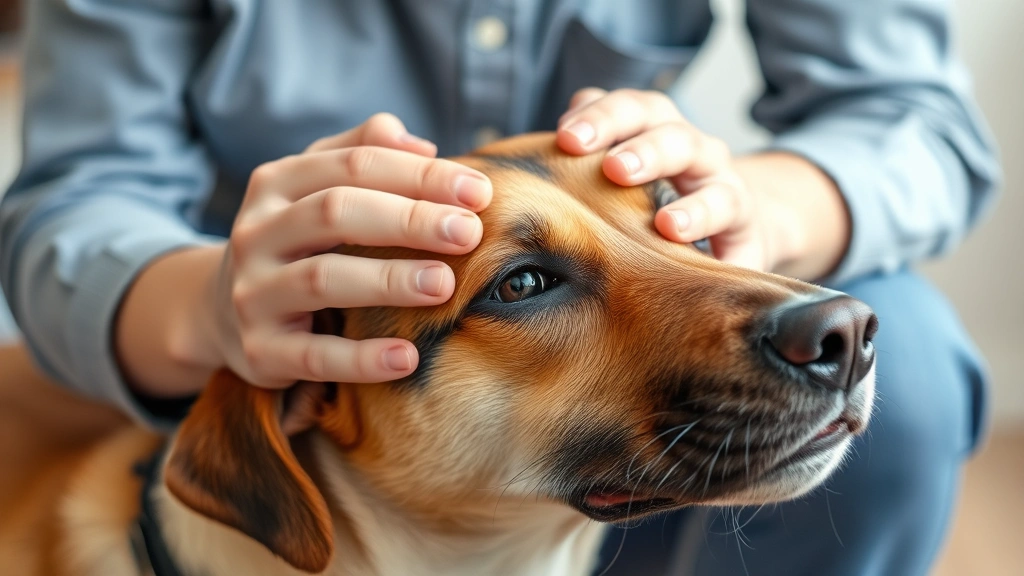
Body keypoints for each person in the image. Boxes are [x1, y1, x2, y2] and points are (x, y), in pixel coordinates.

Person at [0, 1, 1000, 575]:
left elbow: (915, 118)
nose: (827, 333)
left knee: (910, 359)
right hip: (257, 343)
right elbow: (79, 199)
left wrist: (740, 210)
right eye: (525, 282)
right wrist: (209, 305)